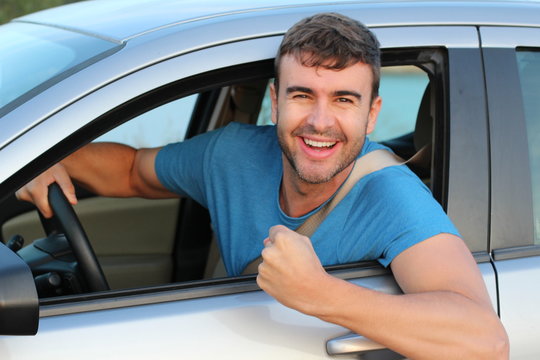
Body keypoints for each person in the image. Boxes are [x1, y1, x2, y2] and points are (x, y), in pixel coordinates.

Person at [17, 13, 508, 359]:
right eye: (302, 95)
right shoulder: (232, 154)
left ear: (371, 113)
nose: (320, 122)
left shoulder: (392, 197)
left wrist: (321, 294)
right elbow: (129, 170)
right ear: (276, 100)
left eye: (343, 99)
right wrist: (48, 157)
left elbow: (486, 342)